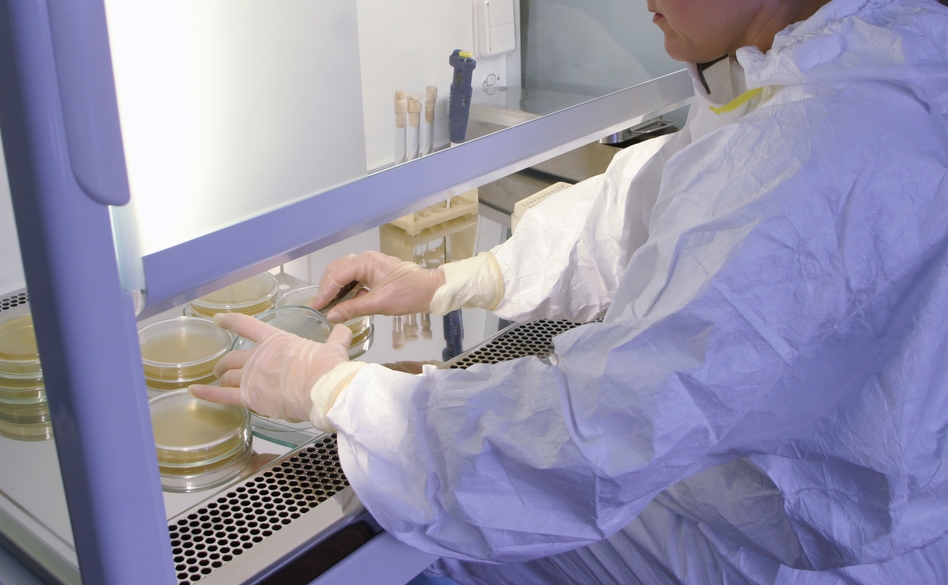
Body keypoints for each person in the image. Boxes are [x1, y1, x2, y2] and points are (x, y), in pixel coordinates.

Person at [190, 0, 948, 582]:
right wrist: (460, 278)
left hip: (776, 549)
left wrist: (339, 393)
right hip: (788, 506)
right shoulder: (838, 62)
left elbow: (593, 435)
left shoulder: (819, 146)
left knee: (429, 551)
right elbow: (656, 203)